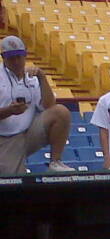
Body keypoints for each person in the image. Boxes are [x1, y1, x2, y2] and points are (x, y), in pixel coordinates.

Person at [0, 35, 72, 174]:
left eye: (19, 56)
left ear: (25, 55)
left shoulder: (31, 77)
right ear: (4, 58)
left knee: (60, 112)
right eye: (11, 58)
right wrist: (10, 111)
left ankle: (55, 161)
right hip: (4, 137)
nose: (16, 61)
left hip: (28, 132)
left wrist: (42, 77)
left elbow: (49, 106)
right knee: (12, 181)